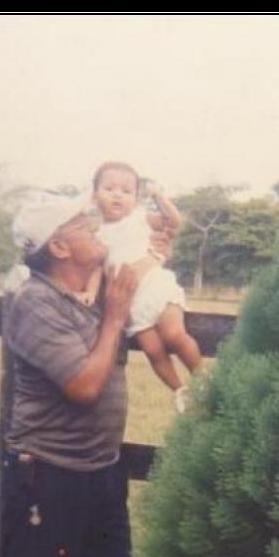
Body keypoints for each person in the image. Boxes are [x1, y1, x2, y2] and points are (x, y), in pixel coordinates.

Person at [0, 191, 169, 557]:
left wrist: (155, 252)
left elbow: (138, 265)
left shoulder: (93, 290)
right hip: (48, 479)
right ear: (59, 246)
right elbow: (85, 387)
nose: (97, 226)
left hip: (100, 475)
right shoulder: (34, 304)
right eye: (82, 223)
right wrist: (115, 318)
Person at [83, 161, 202, 413]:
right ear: (94, 196)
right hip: (130, 303)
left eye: (126, 191)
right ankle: (180, 390)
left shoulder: (140, 220)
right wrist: (91, 293)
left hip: (156, 287)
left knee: (174, 336)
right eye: (109, 188)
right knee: (153, 351)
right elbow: (96, 269)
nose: (117, 194)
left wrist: (158, 196)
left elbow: (174, 221)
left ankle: (203, 379)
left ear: (136, 199)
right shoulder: (95, 235)